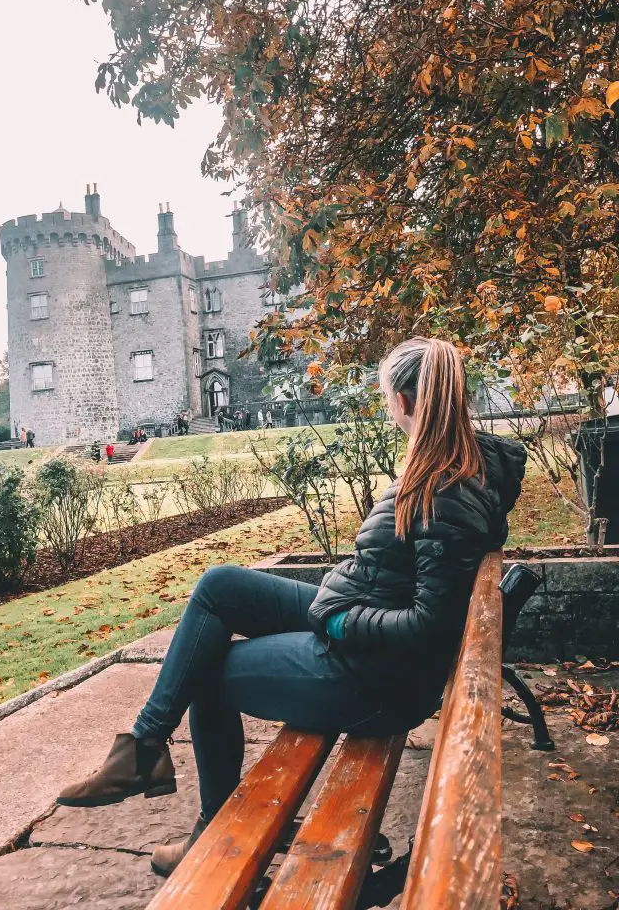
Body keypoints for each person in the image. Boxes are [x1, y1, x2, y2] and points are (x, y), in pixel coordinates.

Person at [56, 337, 526, 877]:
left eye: (385, 398)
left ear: (405, 401)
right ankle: (143, 746)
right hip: (365, 623)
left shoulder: (443, 490)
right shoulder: (457, 468)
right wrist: (343, 599)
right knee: (219, 586)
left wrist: (342, 618)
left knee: (205, 674)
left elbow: (427, 625)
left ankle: (209, 828)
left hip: (369, 675)